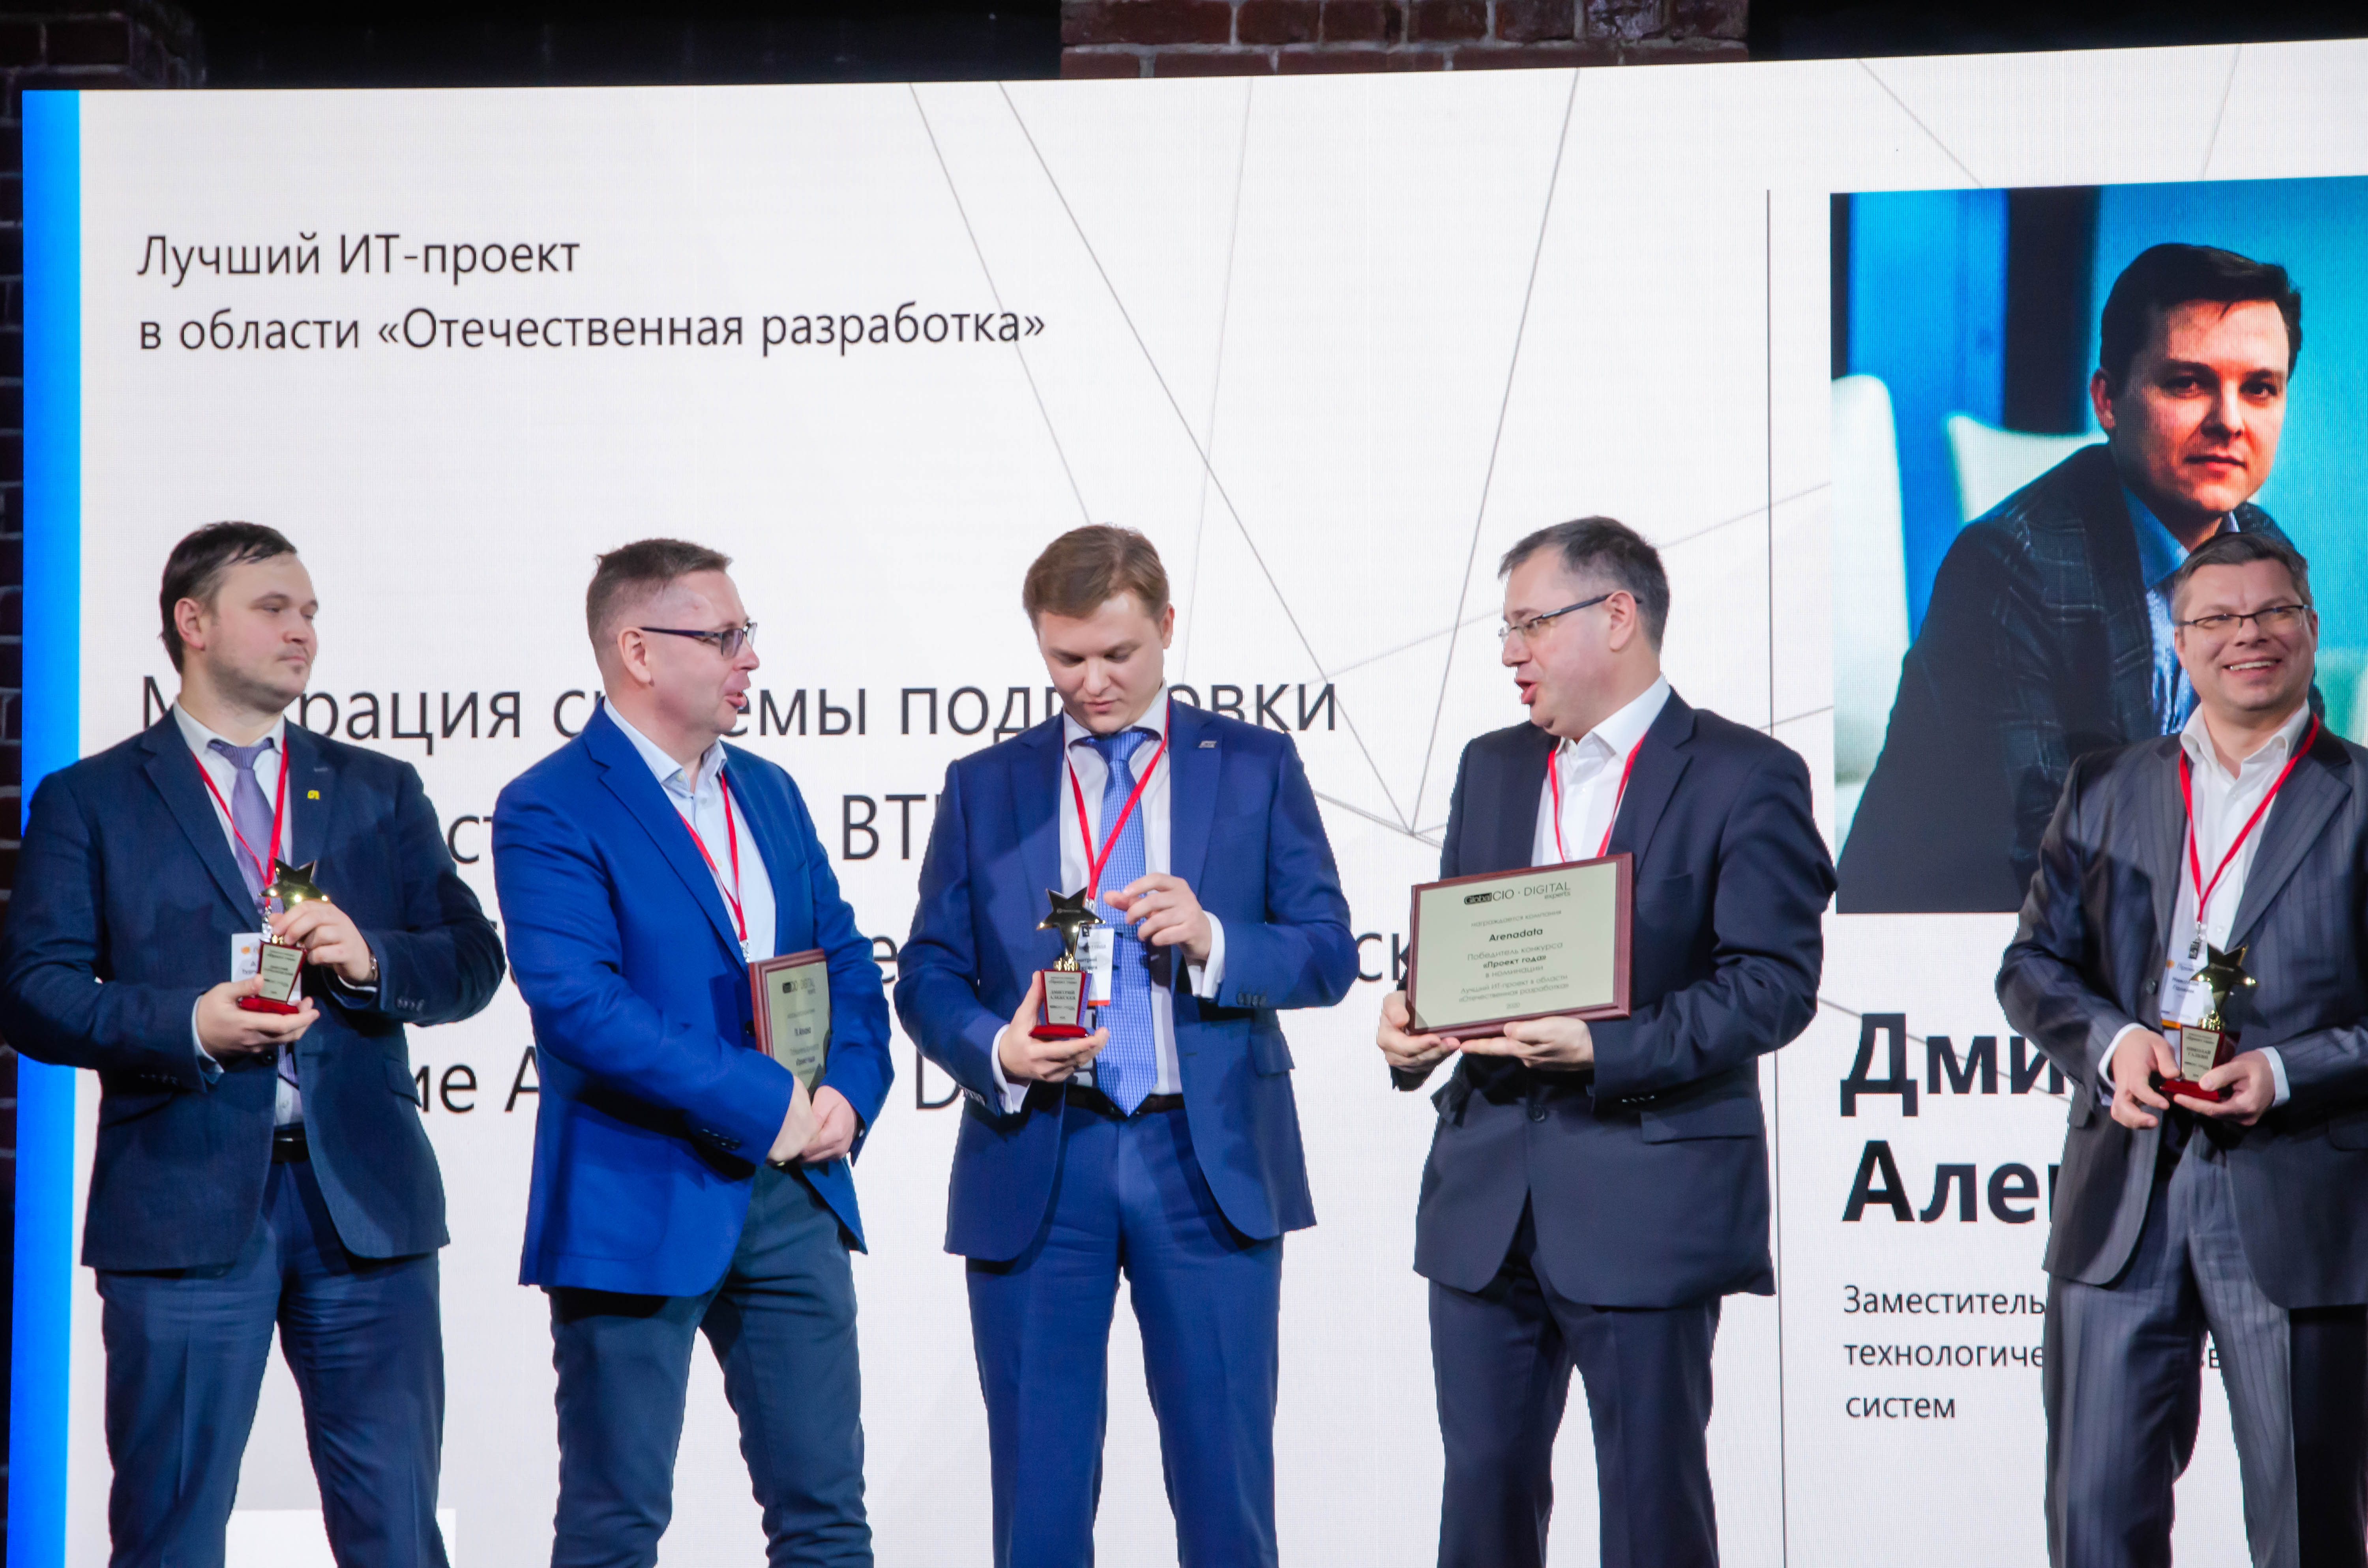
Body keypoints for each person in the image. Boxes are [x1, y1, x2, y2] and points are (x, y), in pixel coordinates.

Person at [0, 522, 505, 1567]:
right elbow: (34, 993)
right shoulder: (91, 799)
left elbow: (471, 959)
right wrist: (189, 1022)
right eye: (274, 608)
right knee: (170, 1533)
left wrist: (369, 957)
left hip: (365, 1208)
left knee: (397, 1533)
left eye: (310, 612)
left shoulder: (377, 788)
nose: (302, 631)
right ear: (193, 622)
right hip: (180, 1207)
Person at [895, 525, 1355, 1568]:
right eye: (1066, 658)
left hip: (1205, 1158)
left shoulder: (1254, 764)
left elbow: (1328, 952)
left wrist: (1217, 938)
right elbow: (925, 973)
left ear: (1168, 627)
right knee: (1039, 1503)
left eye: (1118, 654)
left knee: (1226, 1494)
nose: (1093, 683)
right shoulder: (984, 783)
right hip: (1040, 1157)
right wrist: (998, 1047)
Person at [1377, 517, 1832, 1568]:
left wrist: (1603, 1047)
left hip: (1649, 1198)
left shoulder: (1744, 773)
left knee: (1649, 1510)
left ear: (1617, 615)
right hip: (1487, 1200)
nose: (1511, 653)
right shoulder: (1492, 766)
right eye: (1506, 630)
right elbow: (1464, 958)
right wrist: (1414, 1025)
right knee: (1481, 1500)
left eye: (1530, 624)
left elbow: (1774, 985)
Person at [490, 539, 892, 1568]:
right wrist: (764, 1097)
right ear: (638, 650)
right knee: (615, 1525)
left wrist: (849, 1089)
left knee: (828, 1521)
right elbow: (579, 1004)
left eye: (746, 633)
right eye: (723, 636)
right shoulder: (550, 804)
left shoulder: (771, 790)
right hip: (637, 1195)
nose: (748, 656)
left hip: (794, 1192)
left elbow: (846, 959)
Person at [1999, 529, 2368, 1568]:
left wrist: (2286, 1069)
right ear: (2179, 637)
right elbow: (2032, 965)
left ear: (2310, 626)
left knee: (2309, 1526)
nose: (2249, 634)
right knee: (2093, 1519)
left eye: (2273, 611)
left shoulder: (2359, 796)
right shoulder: (2106, 787)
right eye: (2219, 617)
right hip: (2123, 1193)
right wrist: (2114, 1040)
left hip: (2300, 1201)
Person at [1841, 242, 2306, 912]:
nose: (2230, 420)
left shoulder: (2265, 551)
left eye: (2259, 388)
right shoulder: (2010, 564)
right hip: (1963, 941)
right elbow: (2052, 856)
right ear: (2108, 400)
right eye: (2188, 383)